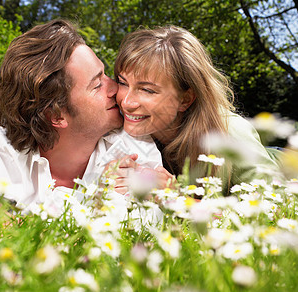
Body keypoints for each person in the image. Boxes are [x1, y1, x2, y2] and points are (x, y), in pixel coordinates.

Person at [0, 19, 162, 218]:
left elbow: (140, 235)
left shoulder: (133, 146)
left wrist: (9, 224)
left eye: (104, 73)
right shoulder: (1, 149)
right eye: (97, 84)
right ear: (56, 115)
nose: (116, 88)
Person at [112, 25, 283, 194]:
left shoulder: (229, 133)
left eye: (147, 90)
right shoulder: (122, 129)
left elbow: (277, 206)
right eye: (123, 83)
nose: (127, 102)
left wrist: (174, 197)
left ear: (185, 99)